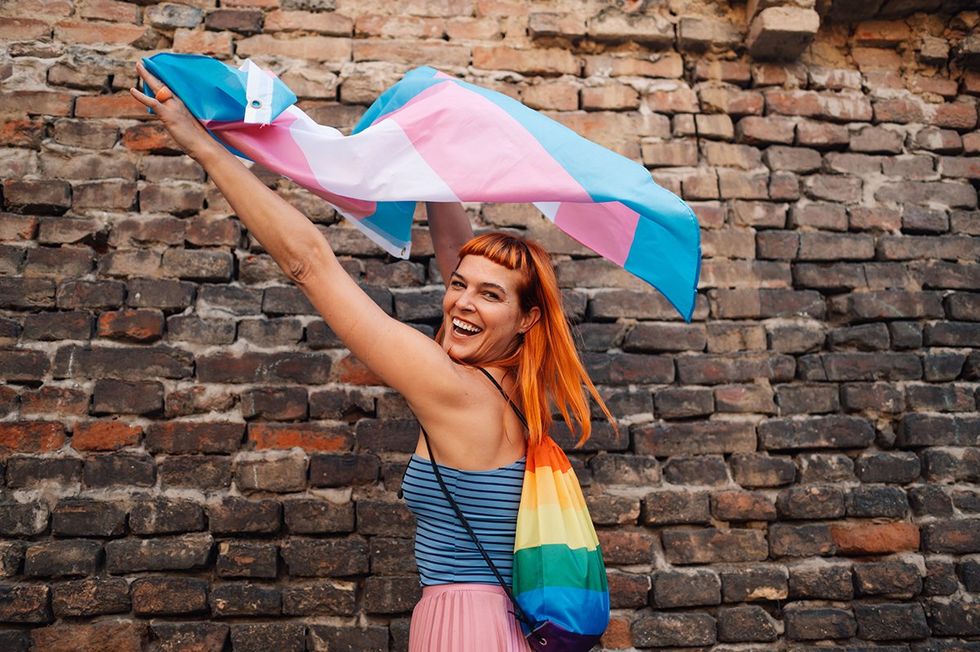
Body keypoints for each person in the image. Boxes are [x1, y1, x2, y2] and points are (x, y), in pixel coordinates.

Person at [131, 61, 614, 652]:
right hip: (503, 626)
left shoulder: (452, 387)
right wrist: (433, 151)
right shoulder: (516, 384)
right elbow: (456, 254)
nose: (461, 302)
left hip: (466, 628)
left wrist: (203, 147)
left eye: (490, 295)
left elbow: (309, 261)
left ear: (526, 319)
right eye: (458, 283)